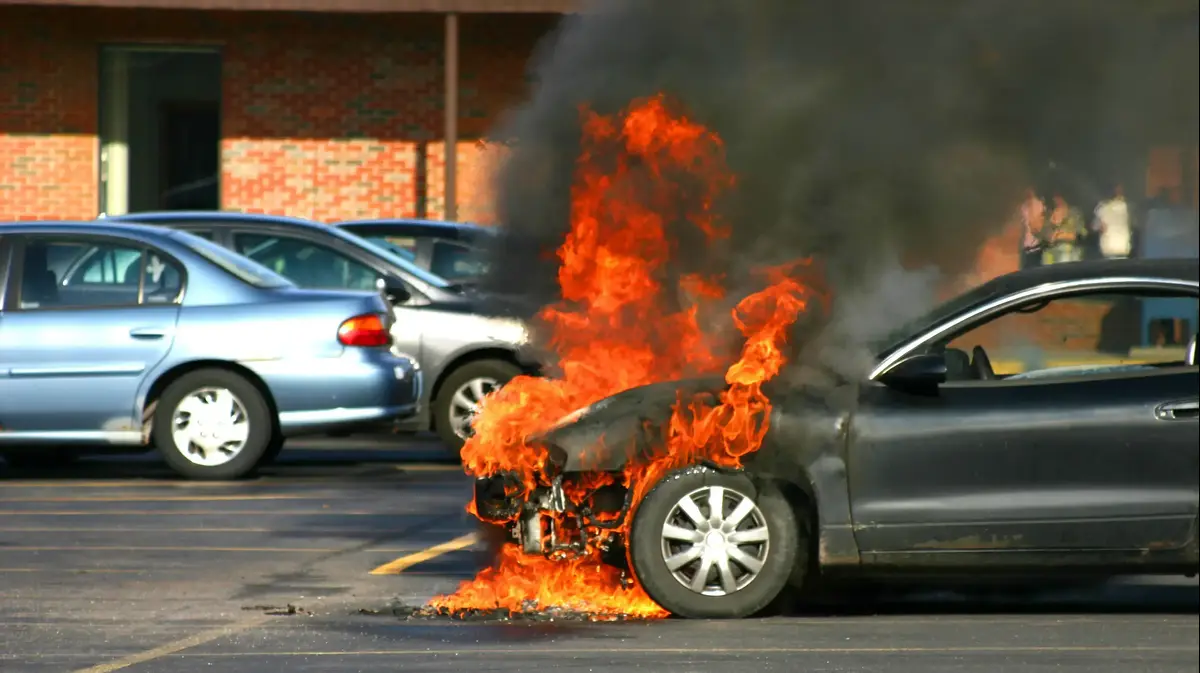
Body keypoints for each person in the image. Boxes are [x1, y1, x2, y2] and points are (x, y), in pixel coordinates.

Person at [1091, 183, 1132, 259]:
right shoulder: (1126, 208)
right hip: (1120, 250)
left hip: (1111, 250)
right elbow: (1096, 226)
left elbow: (1095, 227)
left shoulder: (1103, 208)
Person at [1043, 193, 1085, 264]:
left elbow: (1078, 236)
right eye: (1054, 197)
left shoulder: (1074, 213)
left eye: (1058, 196)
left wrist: (1059, 235)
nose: (1056, 199)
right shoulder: (1049, 214)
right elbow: (1047, 237)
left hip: (1071, 254)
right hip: (1052, 257)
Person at [1018, 188, 1045, 269]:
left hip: (1035, 248)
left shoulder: (1039, 205)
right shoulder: (1024, 206)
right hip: (1025, 248)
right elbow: (1023, 226)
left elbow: (1037, 228)